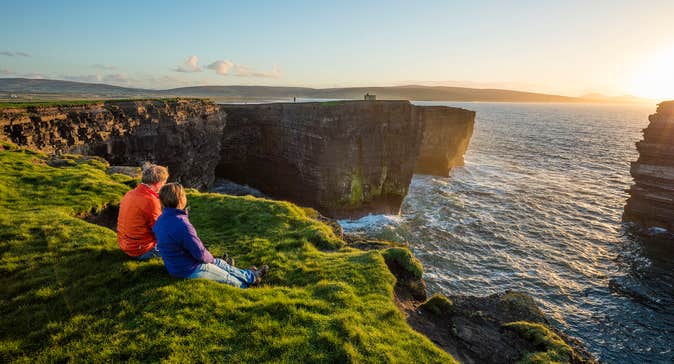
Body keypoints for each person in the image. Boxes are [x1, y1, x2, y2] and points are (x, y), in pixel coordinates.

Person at [153, 183, 268, 288]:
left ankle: (251, 276)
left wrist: (213, 261)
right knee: (228, 278)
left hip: (176, 265)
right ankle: (247, 286)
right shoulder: (181, 224)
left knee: (221, 263)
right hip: (189, 269)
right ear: (181, 200)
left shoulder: (161, 220)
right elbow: (200, 253)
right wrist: (210, 260)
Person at [116, 164, 168, 260]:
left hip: (124, 244)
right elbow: (159, 230)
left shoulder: (129, 194)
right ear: (158, 183)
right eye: (163, 183)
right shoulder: (150, 200)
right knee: (180, 249)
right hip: (140, 250)